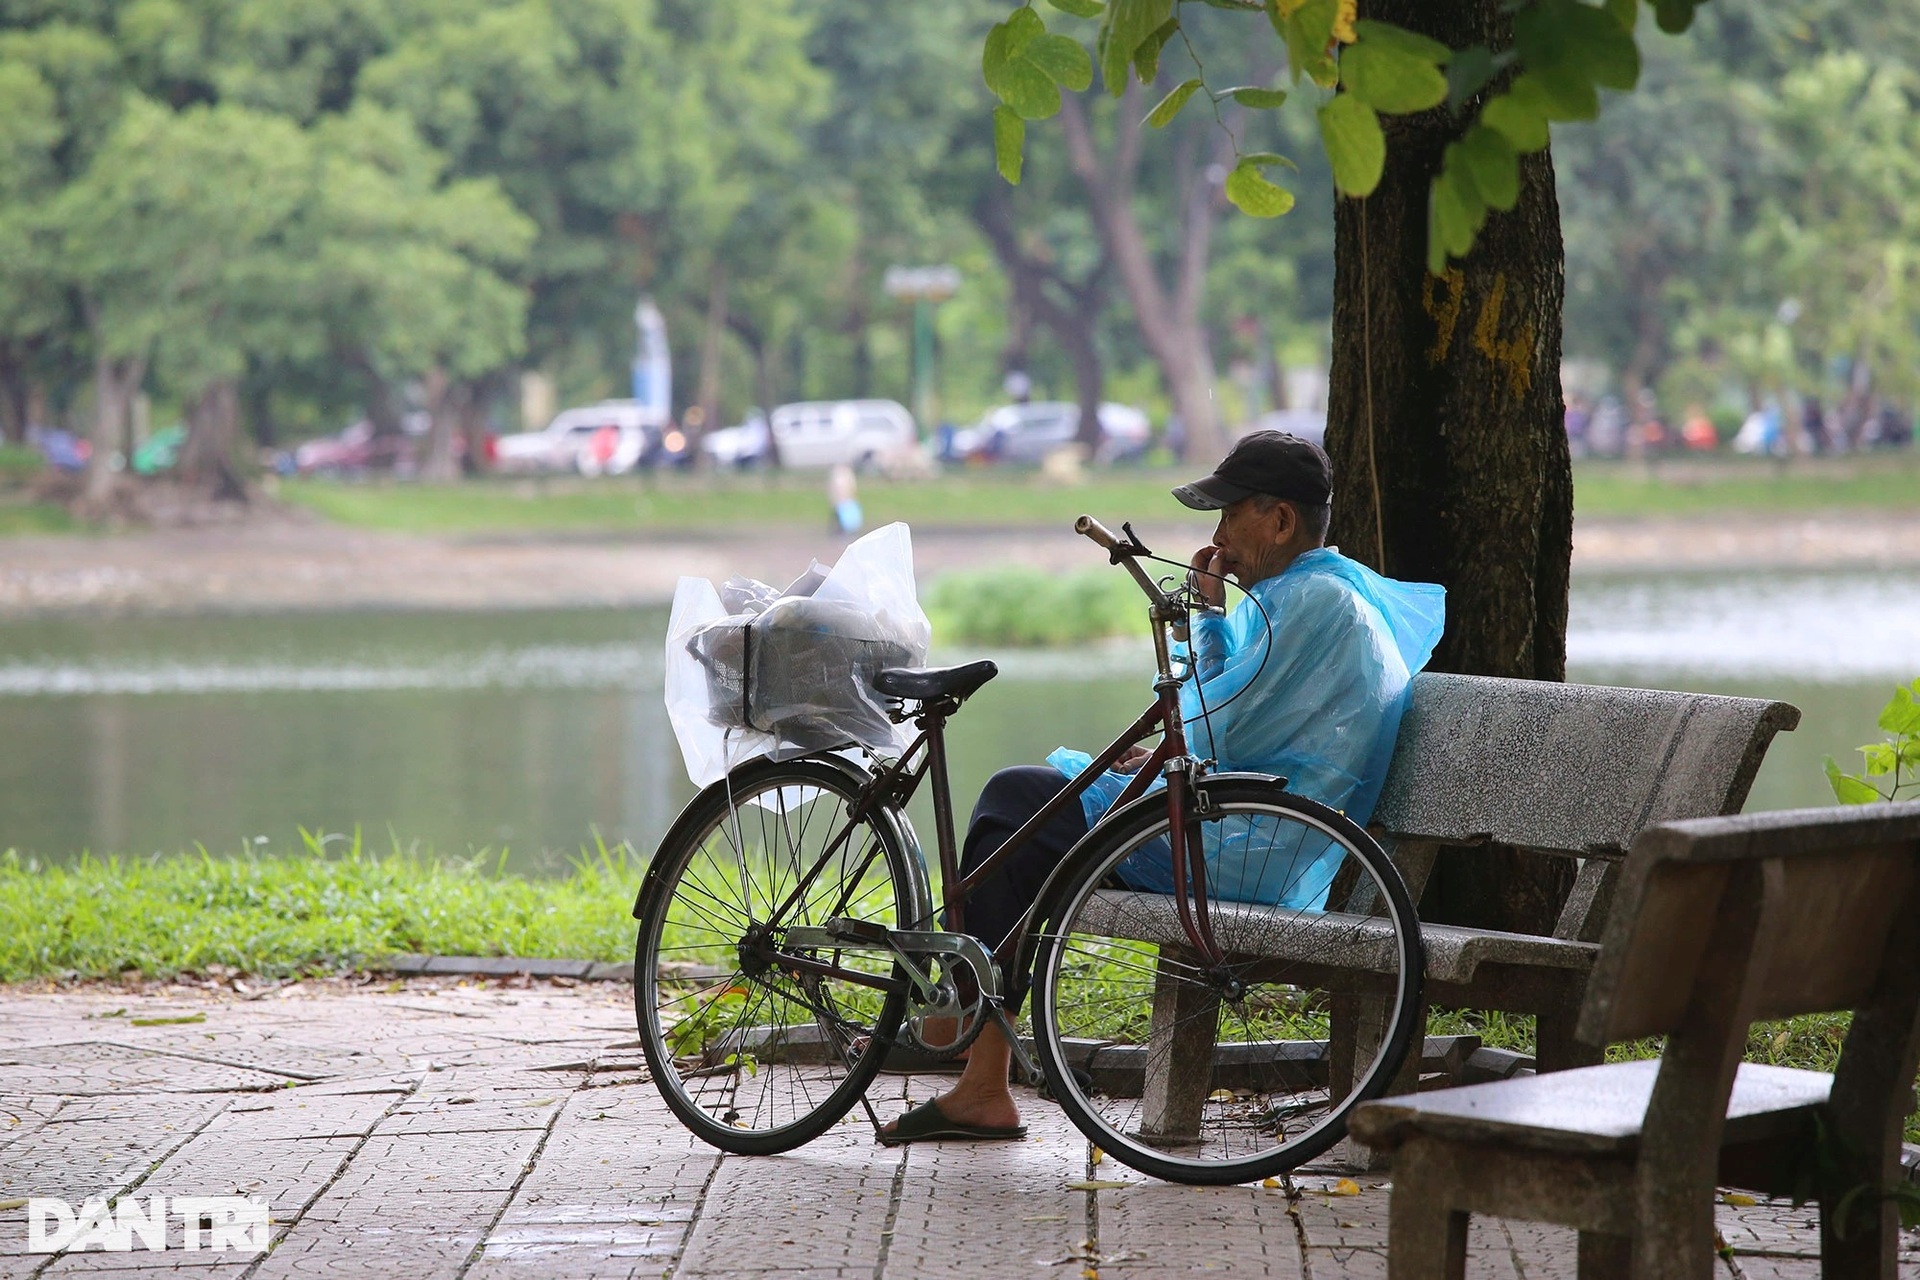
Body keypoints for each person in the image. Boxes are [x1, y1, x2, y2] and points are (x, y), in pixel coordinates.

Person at [879, 430, 1445, 1145]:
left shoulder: (1314, 603)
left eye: (1229, 514)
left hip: (1249, 846)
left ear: (1279, 521)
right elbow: (1241, 720)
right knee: (1022, 815)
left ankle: (966, 1036)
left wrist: (1202, 623)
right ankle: (976, 1062)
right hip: (1249, 830)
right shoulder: (1308, 594)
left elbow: (1210, 721)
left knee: (1018, 805)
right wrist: (1209, 628)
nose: (1217, 536)